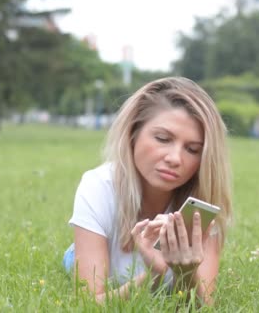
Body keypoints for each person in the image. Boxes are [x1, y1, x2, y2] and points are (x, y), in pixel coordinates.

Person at [64, 77, 233, 305]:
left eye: (192, 149)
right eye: (163, 139)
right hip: (86, 250)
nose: (175, 159)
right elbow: (87, 303)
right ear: (133, 133)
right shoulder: (98, 186)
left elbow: (200, 305)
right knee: (74, 259)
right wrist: (154, 274)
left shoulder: (203, 203)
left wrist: (185, 272)